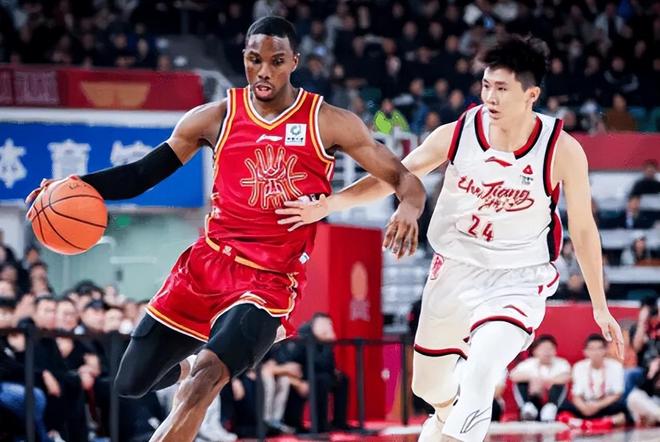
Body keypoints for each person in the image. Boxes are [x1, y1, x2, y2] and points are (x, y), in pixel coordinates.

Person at [26, 16, 424, 441]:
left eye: (276, 61)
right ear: (244, 59)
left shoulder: (327, 120)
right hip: (208, 264)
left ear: (294, 61)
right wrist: (74, 186)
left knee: (205, 381)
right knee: (130, 382)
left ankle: (217, 359)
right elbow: (141, 175)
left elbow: (405, 178)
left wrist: (408, 208)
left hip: (269, 279)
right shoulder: (214, 116)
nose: (264, 71)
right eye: (254, 60)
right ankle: (189, 364)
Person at [278, 34, 624, 442]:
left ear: (531, 95)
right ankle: (444, 416)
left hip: (518, 277)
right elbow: (395, 177)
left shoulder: (561, 149)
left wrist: (599, 305)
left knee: (480, 371)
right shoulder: (457, 134)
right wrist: (329, 204)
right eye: (486, 85)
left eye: (502, 88)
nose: (490, 97)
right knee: (428, 386)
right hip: (455, 270)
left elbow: (583, 228)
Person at [557, 334, 627, 430]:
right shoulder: (579, 366)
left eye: (599, 348)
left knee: (622, 409)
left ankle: (595, 423)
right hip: (586, 404)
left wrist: (598, 405)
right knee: (563, 407)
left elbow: (617, 394)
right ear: (585, 352)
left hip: (604, 404)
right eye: (592, 349)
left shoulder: (615, 366)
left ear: (605, 350)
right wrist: (583, 407)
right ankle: (589, 423)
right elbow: (576, 395)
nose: (596, 352)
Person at [510, 335, 571, 421]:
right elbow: (513, 376)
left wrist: (546, 382)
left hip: (551, 398)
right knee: (521, 383)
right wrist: (532, 379)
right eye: (543, 349)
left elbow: (567, 377)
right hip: (533, 396)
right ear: (535, 351)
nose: (547, 352)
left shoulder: (561, 363)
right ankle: (528, 408)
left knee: (560, 385)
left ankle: (550, 409)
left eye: (550, 349)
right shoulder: (528, 364)